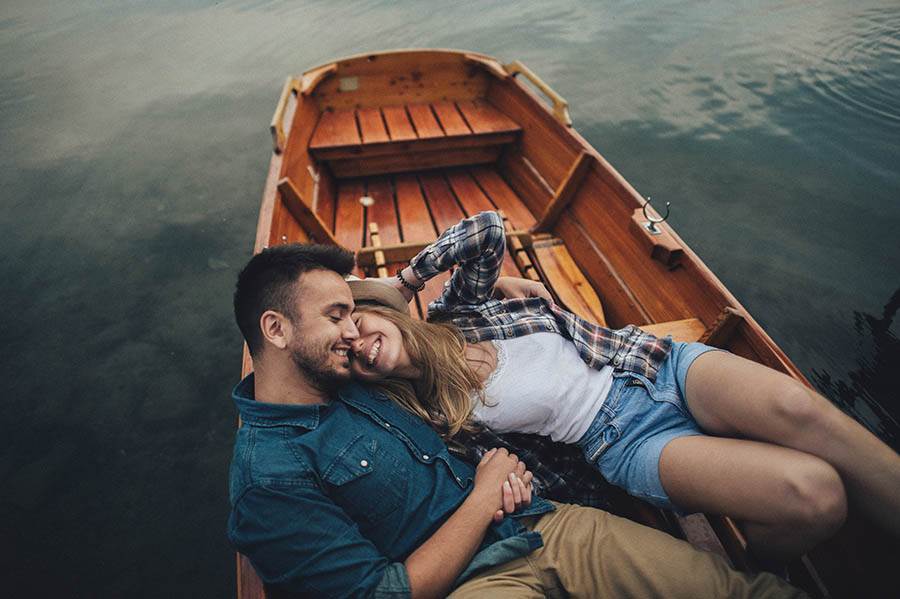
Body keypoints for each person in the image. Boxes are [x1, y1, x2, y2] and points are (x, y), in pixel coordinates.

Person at [226, 242, 803, 598]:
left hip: (547, 524)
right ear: (275, 330)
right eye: (335, 317)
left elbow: (413, 333)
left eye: (352, 315)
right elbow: (383, 593)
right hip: (475, 584)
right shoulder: (269, 481)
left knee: (736, 592)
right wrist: (481, 498)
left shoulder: (351, 370)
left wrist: (483, 291)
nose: (353, 334)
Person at [346, 210, 900, 561]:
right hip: (626, 442)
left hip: (653, 364)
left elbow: (487, 227)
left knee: (799, 407)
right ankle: (747, 568)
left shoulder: (456, 312)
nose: (358, 343)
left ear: (380, 311)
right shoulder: (433, 420)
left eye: (357, 323)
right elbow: (493, 479)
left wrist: (404, 281)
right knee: (814, 498)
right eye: (346, 353)